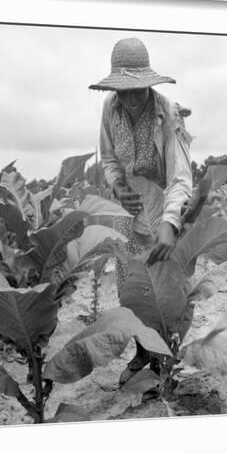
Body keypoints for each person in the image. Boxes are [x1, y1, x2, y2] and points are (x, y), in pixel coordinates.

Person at [89, 37, 193, 289]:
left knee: (163, 285)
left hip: (164, 209)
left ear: (149, 84)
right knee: (131, 281)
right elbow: (109, 157)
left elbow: (180, 177)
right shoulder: (111, 107)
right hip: (127, 208)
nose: (132, 100)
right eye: (124, 91)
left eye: (138, 90)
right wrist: (118, 187)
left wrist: (169, 222)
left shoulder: (167, 113)